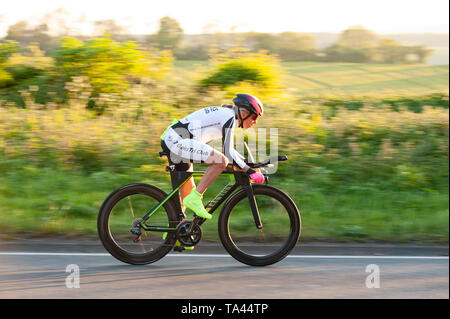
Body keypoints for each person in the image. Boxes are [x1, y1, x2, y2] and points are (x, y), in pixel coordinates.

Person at [160, 93, 265, 220]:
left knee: (187, 193)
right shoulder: (229, 117)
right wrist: (248, 170)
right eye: (254, 116)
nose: (255, 122)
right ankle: (195, 198)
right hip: (178, 140)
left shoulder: (228, 116)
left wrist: (247, 164)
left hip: (178, 139)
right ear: (244, 113)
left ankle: (175, 232)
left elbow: (230, 149)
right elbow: (228, 152)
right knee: (221, 161)